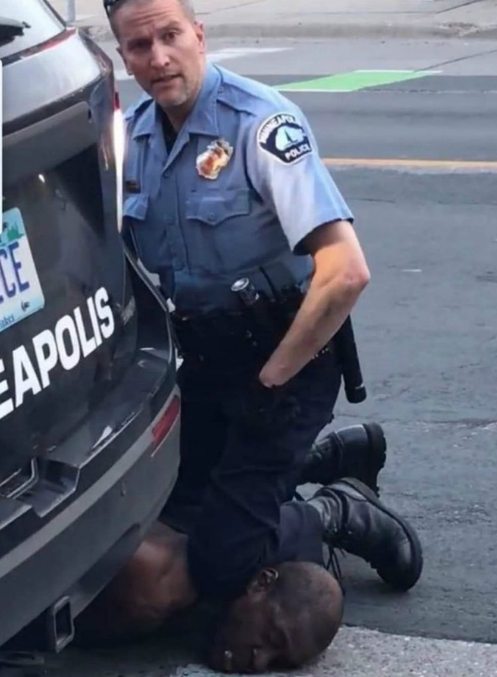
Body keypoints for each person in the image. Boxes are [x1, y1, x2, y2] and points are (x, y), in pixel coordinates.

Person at [104, 0, 423, 609]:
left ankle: (338, 510)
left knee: (223, 561)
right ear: (124, 56)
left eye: (171, 35)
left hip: (286, 363)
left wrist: (272, 381)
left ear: (199, 34)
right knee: (171, 512)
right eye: (140, 46)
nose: (159, 58)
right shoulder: (133, 140)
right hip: (203, 364)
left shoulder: (260, 124)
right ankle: (320, 458)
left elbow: (345, 271)